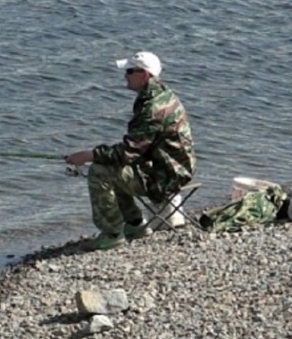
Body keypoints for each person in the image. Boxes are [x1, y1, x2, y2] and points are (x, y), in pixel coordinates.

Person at [64, 51, 197, 250]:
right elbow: (137, 149)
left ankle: (112, 234)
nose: (125, 75)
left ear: (143, 74)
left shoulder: (153, 109)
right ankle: (135, 225)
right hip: (170, 168)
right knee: (112, 164)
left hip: (167, 177)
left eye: (129, 71)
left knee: (99, 171)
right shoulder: (161, 95)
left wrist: (88, 156)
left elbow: (128, 152)